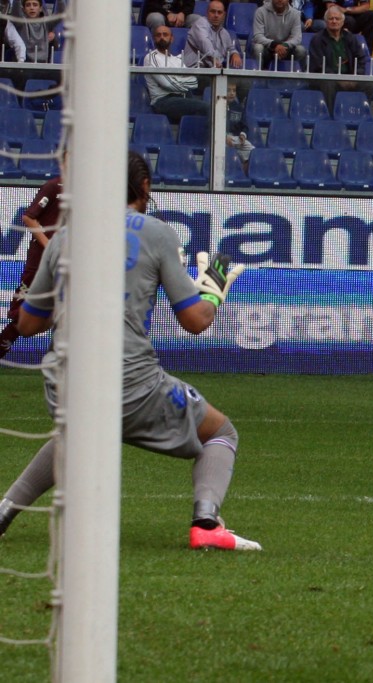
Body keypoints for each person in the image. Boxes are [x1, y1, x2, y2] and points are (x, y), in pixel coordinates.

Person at [0, 151, 259, 551]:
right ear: (145, 188)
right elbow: (195, 322)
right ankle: (206, 524)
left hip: (63, 380)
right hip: (130, 381)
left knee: (78, 431)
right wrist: (213, 290)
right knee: (220, 432)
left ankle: (4, 512)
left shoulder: (66, 235)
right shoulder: (157, 233)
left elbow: (28, 325)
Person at [0, 171, 62, 359]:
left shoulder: (89, 192)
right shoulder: (54, 186)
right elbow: (28, 217)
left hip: (69, 264)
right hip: (40, 263)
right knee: (19, 316)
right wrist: (50, 246)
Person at [307, 3, 371, 110]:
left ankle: (358, 112)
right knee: (328, 84)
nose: (334, 21)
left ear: (342, 22)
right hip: (326, 79)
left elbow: (360, 59)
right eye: (331, 19)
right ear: (326, 21)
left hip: (350, 79)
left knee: (369, 85)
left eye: (337, 19)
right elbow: (318, 66)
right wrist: (338, 79)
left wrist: (355, 78)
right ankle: (331, 117)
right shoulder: (317, 40)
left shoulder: (350, 38)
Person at [143, 24, 210, 122]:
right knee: (207, 107)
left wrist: (177, 80)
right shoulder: (151, 57)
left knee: (214, 107)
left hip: (181, 98)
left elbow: (189, 80)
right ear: (154, 39)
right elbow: (168, 84)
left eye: (165, 35)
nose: (162, 37)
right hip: (162, 101)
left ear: (172, 38)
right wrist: (184, 81)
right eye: (158, 35)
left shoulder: (178, 60)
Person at [183, 0, 242, 69]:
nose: (216, 15)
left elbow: (230, 48)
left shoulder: (224, 33)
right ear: (207, 13)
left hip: (212, 71)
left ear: (224, 15)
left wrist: (234, 54)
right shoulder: (200, 24)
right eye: (213, 11)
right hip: (194, 69)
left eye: (219, 12)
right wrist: (216, 60)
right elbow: (205, 44)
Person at [251, 0, 307, 69]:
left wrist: (284, 45)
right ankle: (257, 77)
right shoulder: (260, 11)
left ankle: (298, 78)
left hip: (286, 49)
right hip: (267, 48)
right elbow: (258, 36)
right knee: (258, 48)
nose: (280, 0)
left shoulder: (295, 14)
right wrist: (275, 44)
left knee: (301, 50)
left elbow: (297, 38)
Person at [225, 82, 255, 171]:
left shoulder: (238, 108)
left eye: (234, 91)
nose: (232, 93)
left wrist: (243, 135)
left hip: (236, 139)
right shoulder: (216, 106)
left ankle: (241, 173)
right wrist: (225, 137)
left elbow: (245, 126)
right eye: (228, 90)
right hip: (221, 140)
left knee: (252, 150)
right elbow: (211, 126)